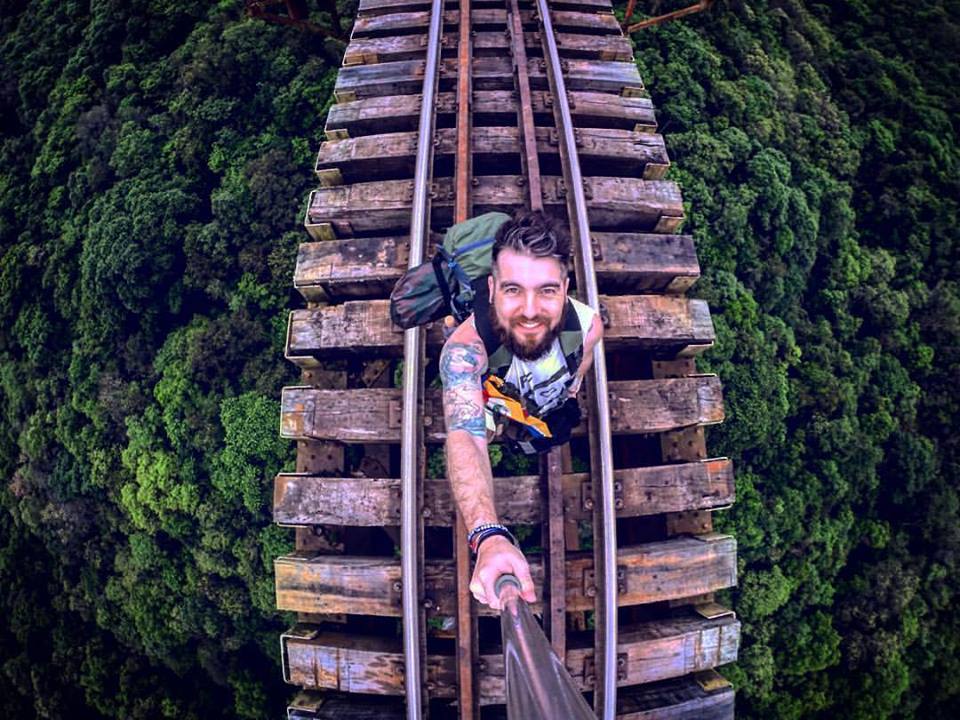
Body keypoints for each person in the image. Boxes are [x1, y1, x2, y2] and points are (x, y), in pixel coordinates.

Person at [439, 210, 603, 610]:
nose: (530, 311)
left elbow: (578, 371)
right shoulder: (463, 352)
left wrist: (567, 396)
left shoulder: (588, 328)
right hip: (494, 398)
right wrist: (488, 535)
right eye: (513, 290)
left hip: (536, 404)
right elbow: (466, 436)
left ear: (565, 289)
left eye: (546, 291)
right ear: (492, 288)